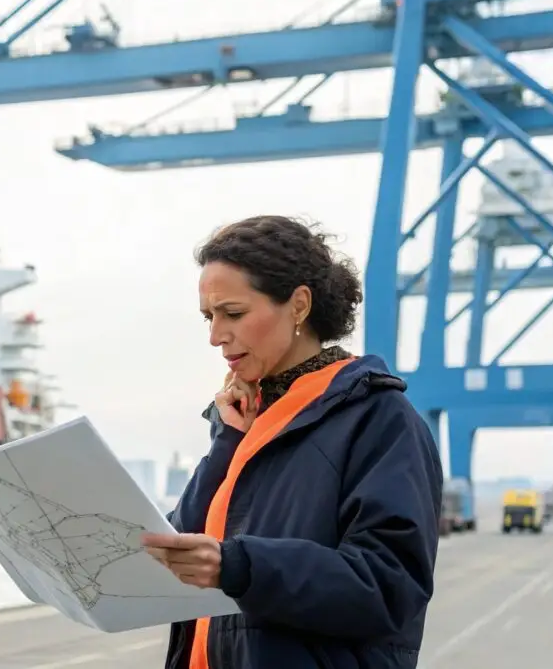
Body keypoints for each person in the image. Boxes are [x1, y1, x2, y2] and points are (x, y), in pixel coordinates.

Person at [142, 215, 444, 669]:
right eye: (209, 317)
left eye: (234, 313)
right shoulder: (242, 424)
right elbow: (184, 549)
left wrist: (240, 567)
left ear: (299, 304)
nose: (215, 336)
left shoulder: (379, 420)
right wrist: (226, 443)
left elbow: (388, 587)